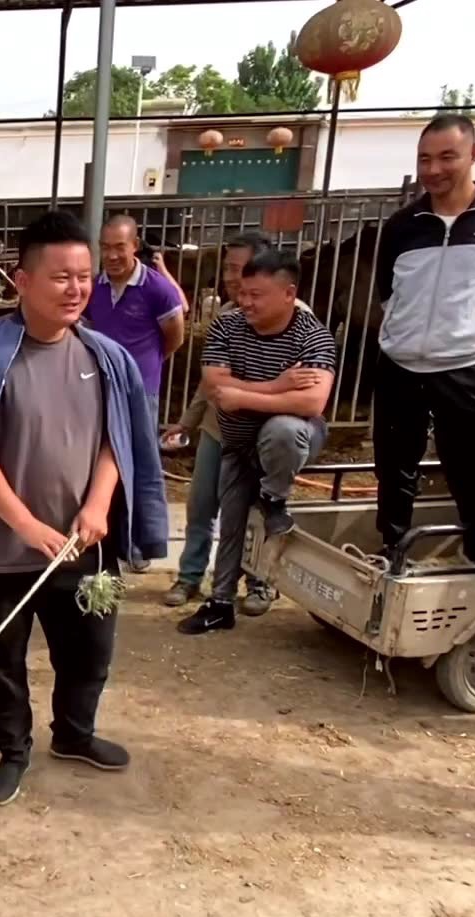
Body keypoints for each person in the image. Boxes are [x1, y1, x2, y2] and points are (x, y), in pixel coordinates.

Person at [0, 210, 170, 807]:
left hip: (85, 546)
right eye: (61, 277)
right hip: (3, 549)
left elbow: (117, 441)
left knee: (90, 654)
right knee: (3, 665)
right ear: (21, 281)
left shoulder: (107, 356)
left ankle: (74, 734)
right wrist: (26, 525)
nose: (76, 289)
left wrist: (98, 507)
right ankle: (13, 751)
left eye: (85, 276)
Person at [373, 114, 475, 560]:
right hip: (400, 361)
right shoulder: (404, 224)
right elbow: (389, 292)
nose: (434, 170)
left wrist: (473, 334)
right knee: (394, 463)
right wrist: (409, 332)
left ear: (473, 155)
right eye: (425, 159)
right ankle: (393, 546)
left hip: (465, 363)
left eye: (447, 157)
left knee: (470, 464)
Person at [178, 251, 336, 636]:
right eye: (244, 293)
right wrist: (277, 387)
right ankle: (220, 603)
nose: (246, 301)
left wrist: (244, 396)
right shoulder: (226, 327)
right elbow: (215, 386)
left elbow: (312, 403)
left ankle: (274, 496)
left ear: (288, 293)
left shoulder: (314, 335)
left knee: (282, 428)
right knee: (231, 522)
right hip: (237, 442)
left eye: (257, 294)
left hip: (290, 441)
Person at [161, 230, 305, 613]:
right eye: (227, 267)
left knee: (259, 510)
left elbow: (298, 389)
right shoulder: (226, 317)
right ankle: (190, 576)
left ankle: (259, 582)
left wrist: (246, 392)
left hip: (264, 435)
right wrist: (188, 423)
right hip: (217, 427)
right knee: (201, 504)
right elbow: (209, 384)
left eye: (239, 270)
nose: (230, 277)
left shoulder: (299, 321)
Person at [84, 213, 187, 418]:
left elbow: (175, 338)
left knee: (140, 448)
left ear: (135, 245)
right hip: (103, 388)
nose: (112, 255)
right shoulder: (94, 288)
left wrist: (148, 360)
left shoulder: (157, 288)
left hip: (141, 391)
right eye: (105, 247)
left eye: (120, 247)